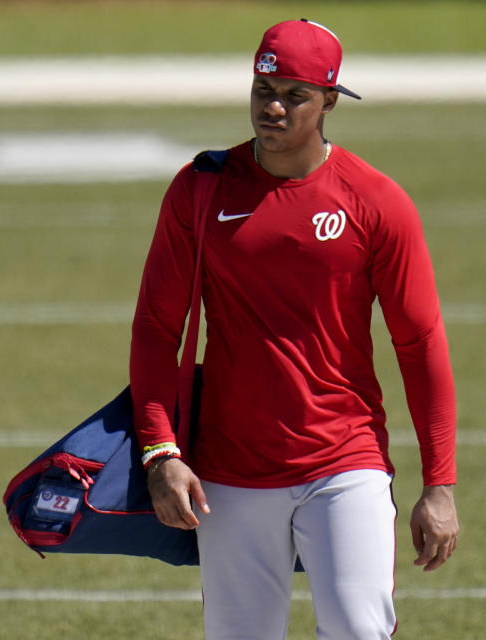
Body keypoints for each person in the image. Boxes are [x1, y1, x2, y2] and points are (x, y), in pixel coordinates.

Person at [130, 19, 459, 639]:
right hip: (228, 473)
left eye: (294, 94)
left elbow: (420, 346)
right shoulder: (200, 190)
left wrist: (439, 484)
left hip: (346, 460)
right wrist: (160, 453)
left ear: (330, 100)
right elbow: (155, 328)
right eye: (263, 89)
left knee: (359, 632)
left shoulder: (377, 203)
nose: (272, 107)